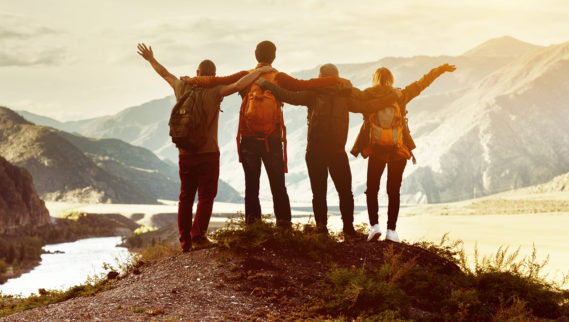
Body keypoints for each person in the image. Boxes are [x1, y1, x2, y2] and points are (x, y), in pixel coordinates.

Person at [187, 41, 342, 226]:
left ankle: (253, 228)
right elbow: (306, 84)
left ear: (255, 55)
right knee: (278, 185)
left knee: (251, 187)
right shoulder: (280, 77)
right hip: (273, 139)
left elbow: (216, 81)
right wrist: (337, 80)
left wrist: (191, 80)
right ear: (274, 56)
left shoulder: (246, 76)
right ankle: (284, 227)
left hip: (248, 138)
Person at [137, 42, 274, 251]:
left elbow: (164, 73)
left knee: (185, 197)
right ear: (214, 75)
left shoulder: (182, 87)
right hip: (208, 153)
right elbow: (238, 85)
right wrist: (261, 71)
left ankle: (185, 242)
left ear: (197, 72)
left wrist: (151, 59)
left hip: (185, 153)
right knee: (206, 196)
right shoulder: (216, 91)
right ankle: (199, 236)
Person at [256, 63, 400, 239]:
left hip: (315, 150)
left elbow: (289, 96)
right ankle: (348, 230)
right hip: (337, 151)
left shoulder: (313, 94)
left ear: (320, 76)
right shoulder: (344, 96)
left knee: (319, 193)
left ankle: (321, 230)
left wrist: (267, 84)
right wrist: (391, 97)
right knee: (345, 192)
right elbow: (369, 106)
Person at [351, 63, 456, 243]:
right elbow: (422, 83)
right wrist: (439, 69)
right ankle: (391, 230)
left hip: (376, 150)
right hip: (398, 151)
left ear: (375, 80)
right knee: (394, 191)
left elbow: (349, 95)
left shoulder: (367, 95)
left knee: (372, 189)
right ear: (391, 80)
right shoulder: (400, 95)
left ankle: (374, 226)